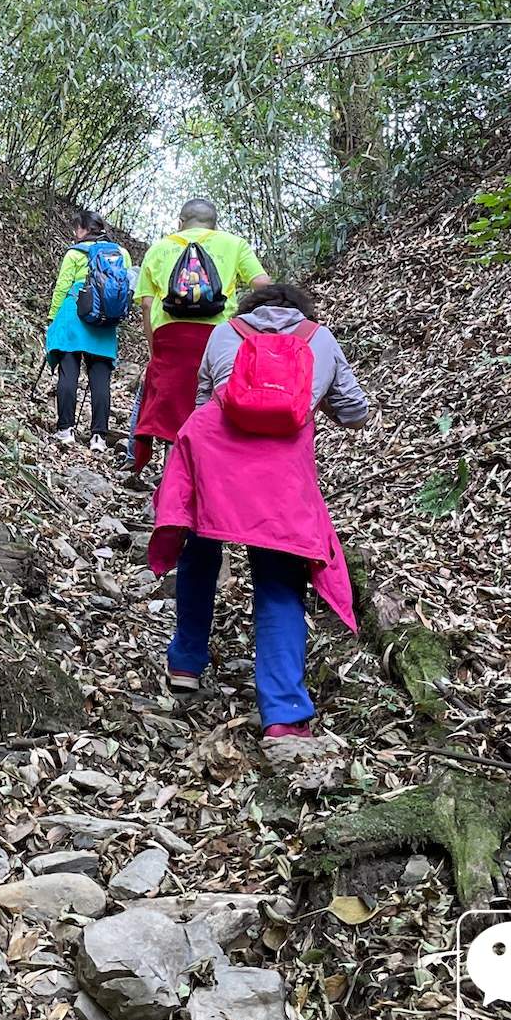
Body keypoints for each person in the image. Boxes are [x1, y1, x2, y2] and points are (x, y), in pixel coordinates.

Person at [146, 280, 370, 779]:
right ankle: (285, 715)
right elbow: (357, 413)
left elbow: (205, 400)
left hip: (216, 459)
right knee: (279, 578)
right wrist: (320, 399)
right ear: (299, 310)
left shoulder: (224, 333)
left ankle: (185, 663)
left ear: (252, 308)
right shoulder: (321, 339)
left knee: (200, 550)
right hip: (280, 472)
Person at [130, 198, 270, 474]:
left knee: (173, 412)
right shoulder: (234, 244)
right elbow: (263, 286)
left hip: (170, 339)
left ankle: (169, 485)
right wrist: (247, 327)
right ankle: (209, 480)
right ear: (215, 225)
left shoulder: (159, 248)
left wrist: (153, 348)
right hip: (221, 337)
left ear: (180, 223)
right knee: (212, 405)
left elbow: (146, 304)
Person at [43, 212, 131, 449]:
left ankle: (65, 430)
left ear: (83, 229)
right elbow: (125, 290)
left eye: (76, 229)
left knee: (68, 373)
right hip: (104, 320)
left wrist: (52, 318)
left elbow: (62, 287)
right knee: (100, 380)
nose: (75, 234)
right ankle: (99, 438)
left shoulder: (74, 253)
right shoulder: (120, 254)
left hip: (74, 314)